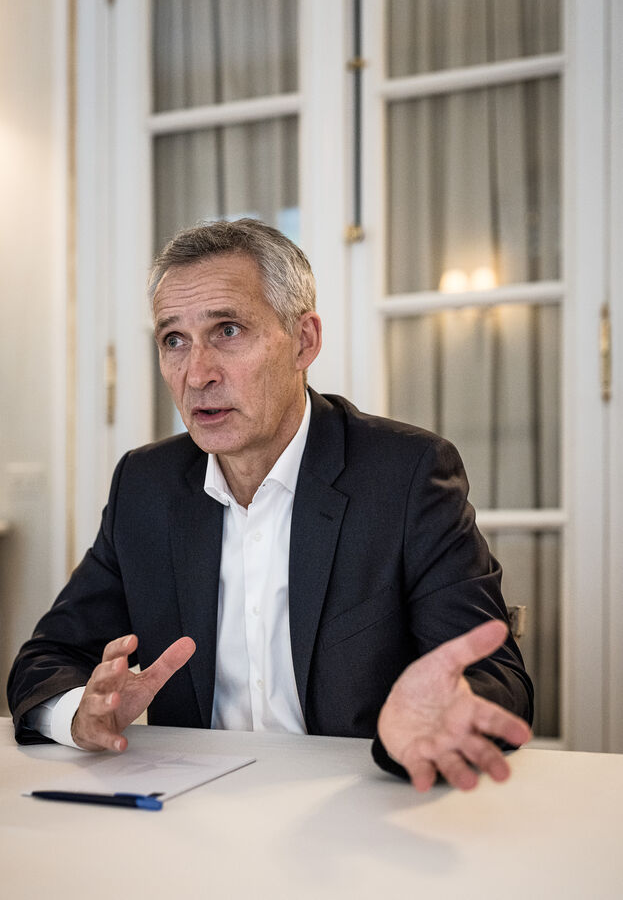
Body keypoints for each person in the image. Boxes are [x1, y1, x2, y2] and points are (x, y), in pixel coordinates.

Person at [8, 218, 533, 792]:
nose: (197, 375)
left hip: (356, 805)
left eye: (227, 330)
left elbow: (495, 674)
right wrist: (80, 713)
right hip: (190, 810)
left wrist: (436, 719)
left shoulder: (406, 474)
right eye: (174, 340)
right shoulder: (146, 486)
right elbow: (47, 659)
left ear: (304, 341)